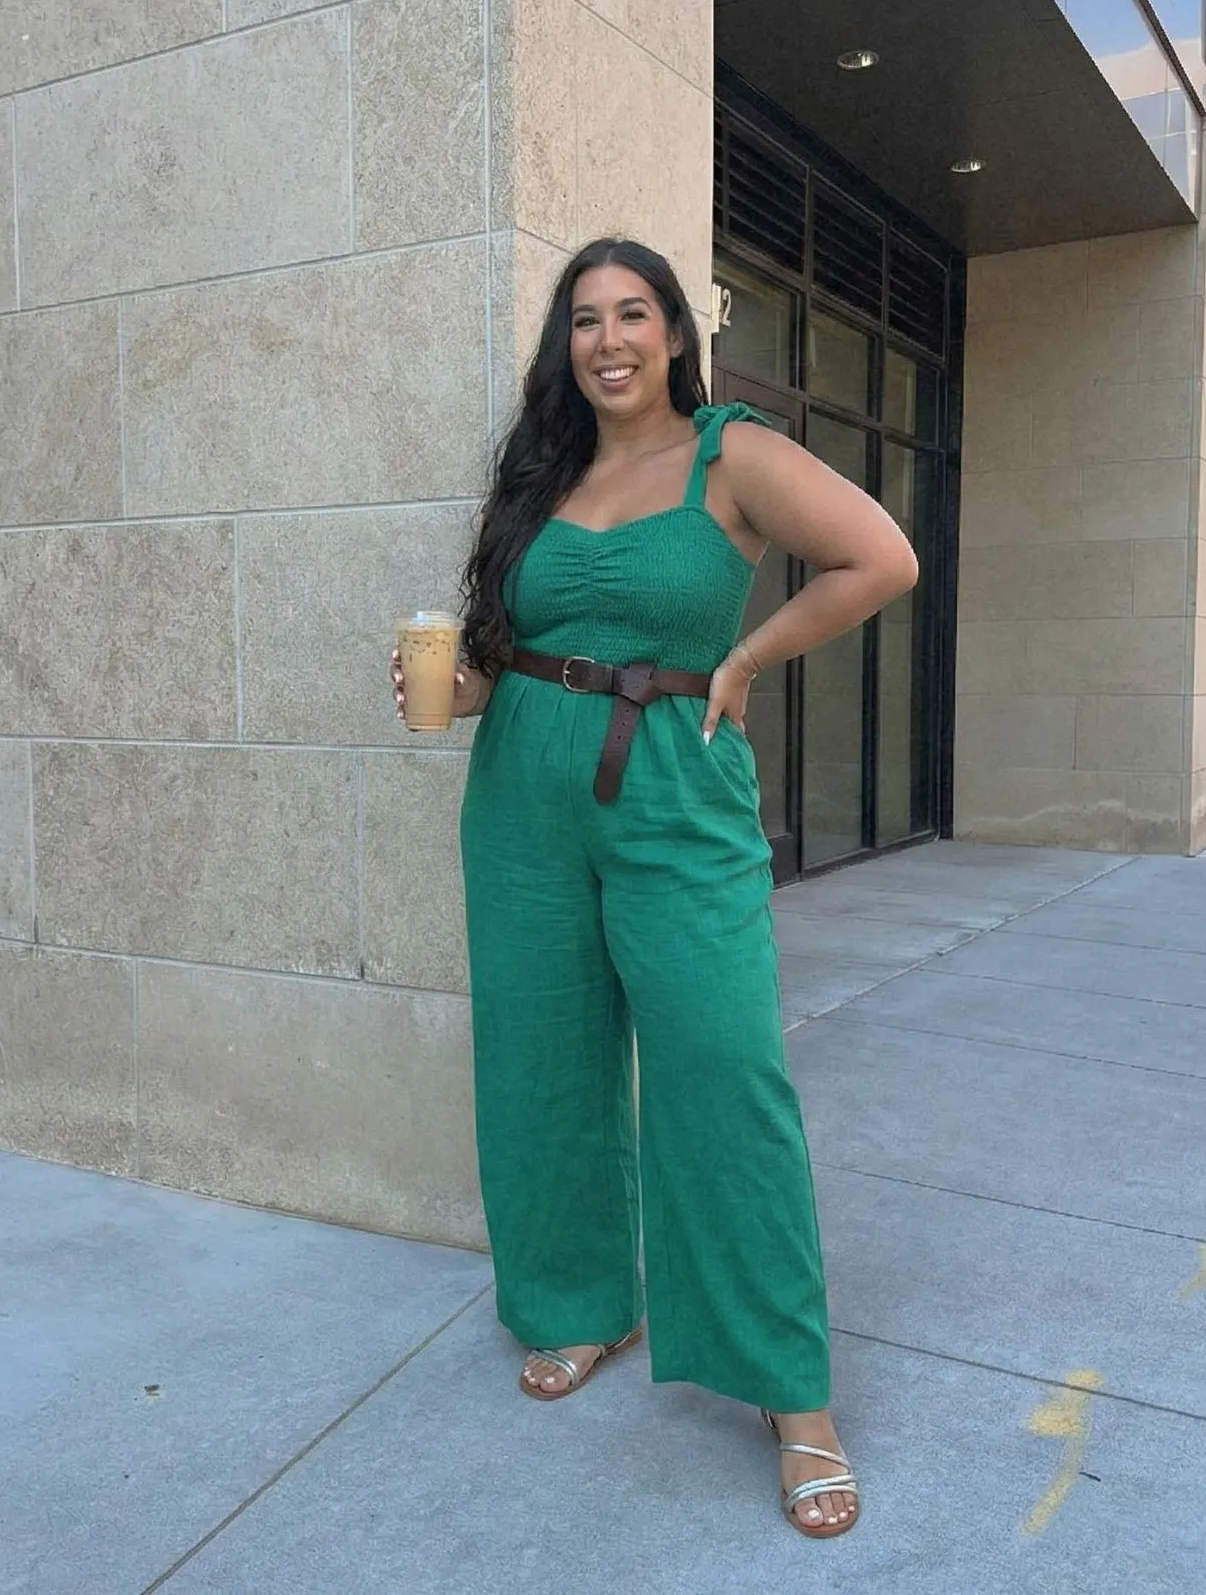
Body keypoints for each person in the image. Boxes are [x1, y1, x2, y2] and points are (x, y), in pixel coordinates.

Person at [390, 237, 917, 1538]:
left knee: (725, 1075)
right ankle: (580, 1300)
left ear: (677, 332)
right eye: (585, 318)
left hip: (676, 791)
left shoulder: (729, 454)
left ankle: (795, 1397)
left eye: (633, 313)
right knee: (543, 1058)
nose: (608, 337)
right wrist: (456, 686)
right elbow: (507, 652)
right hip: (520, 790)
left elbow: (881, 558)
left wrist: (745, 661)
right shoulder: (548, 470)